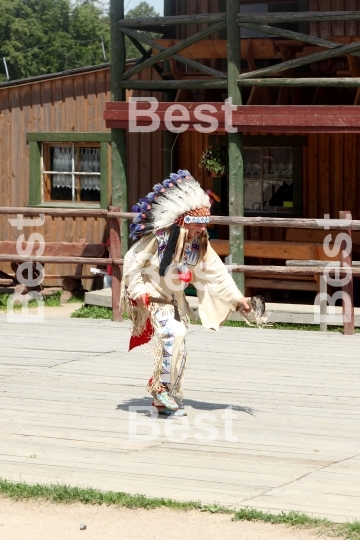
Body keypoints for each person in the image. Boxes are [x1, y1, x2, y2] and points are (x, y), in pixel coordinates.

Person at [121, 170, 250, 417]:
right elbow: (132, 260)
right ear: (182, 221)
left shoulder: (199, 243)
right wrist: (138, 291)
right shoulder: (158, 238)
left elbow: (216, 272)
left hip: (174, 303)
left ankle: (164, 396)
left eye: (203, 226)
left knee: (180, 347)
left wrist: (238, 299)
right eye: (195, 225)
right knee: (174, 332)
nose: (199, 230)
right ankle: (160, 387)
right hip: (152, 298)